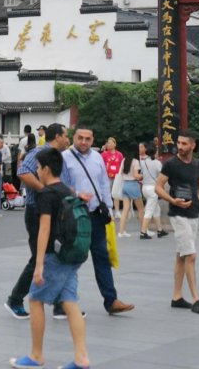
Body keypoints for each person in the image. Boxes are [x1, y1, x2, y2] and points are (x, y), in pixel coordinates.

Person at [10, 147, 91, 369]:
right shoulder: (67, 190)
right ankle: (81, 358)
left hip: (55, 256)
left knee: (35, 300)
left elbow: (44, 230)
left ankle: (36, 356)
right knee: (70, 302)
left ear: (46, 169)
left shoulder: (46, 194)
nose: (37, 171)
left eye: (38, 167)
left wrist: (38, 266)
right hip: (73, 254)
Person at [61, 126, 134, 315]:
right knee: (72, 258)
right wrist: (77, 194)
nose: (83, 142)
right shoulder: (64, 158)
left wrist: (108, 208)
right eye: (80, 138)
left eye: (88, 139)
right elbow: (60, 185)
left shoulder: (97, 158)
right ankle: (63, 302)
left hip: (95, 215)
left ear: (93, 140)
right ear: (74, 138)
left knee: (102, 256)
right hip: (75, 215)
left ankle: (111, 300)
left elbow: (103, 184)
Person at [6, 122, 69, 319]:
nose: (67, 139)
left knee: (53, 256)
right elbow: (23, 171)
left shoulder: (58, 155)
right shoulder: (40, 152)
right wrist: (45, 190)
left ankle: (59, 304)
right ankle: (15, 299)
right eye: (66, 135)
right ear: (57, 136)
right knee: (38, 259)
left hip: (53, 211)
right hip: (36, 211)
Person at [155, 129, 199, 313]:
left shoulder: (198, 164)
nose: (180, 146)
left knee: (181, 256)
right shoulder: (170, 164)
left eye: (184, 144)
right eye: (179, 143)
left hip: (193, 214)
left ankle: (176, 297)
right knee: (190, 255)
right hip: (177, 214)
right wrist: (172, 200)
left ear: (192, 145)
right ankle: (196, 299)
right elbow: (158, 187)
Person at [139, 143, 165, 239]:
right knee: (149, 210)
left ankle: (160, 230)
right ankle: (143, 232)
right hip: (153, 189)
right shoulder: (157, 163)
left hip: (145, 188)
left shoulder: (143, 162)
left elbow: (141, 174)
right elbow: (162, 176)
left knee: (156, 209)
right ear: (154, 152)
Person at [118, 146, 144, 237]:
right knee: (140, 209)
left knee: (125, 209)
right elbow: (136, 175)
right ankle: (143, 230)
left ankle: (121, 232)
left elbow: (121, 173)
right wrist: (142, 176)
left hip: (125, 185)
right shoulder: (135, 161)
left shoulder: (124, 160)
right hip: (133, 185)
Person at [101, 137, 123, 218]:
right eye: (108, 143)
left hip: (117, 176)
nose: (109, 144)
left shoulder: (119, 154)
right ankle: (109, 210)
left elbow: (121, 165)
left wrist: (121, 175)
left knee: (116, 193)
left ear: (115, 144)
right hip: (107, 176)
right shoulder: (104, 154)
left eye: (110, 143)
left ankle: (117, 211)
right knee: (107, 193)